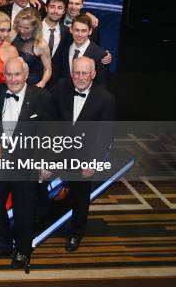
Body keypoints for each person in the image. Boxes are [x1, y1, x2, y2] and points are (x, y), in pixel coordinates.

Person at [0, 57, 56, 272]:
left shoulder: (42, 97)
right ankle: (2, 245)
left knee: (24, 209)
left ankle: (23, 250)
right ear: (3, 75)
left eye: (17, 74)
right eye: (9, 74)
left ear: (25, 75)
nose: (13, 79)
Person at [51, 56, 115, 251]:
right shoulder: (60, 87)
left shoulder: (105, 99)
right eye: (76, 72)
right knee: (39, 186)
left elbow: (105, 135)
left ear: (93, 74)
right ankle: (41, 222)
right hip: (57, 150)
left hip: (84, 156)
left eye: (85, 73)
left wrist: (94, 162)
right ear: (71, 73)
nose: (80, 77)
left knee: (80, 197)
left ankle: (76, 234)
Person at [10, 7, 52, 87]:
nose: (22, 31)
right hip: (13, 81)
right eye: (20, 26)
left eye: (26, 28)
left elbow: (48, 69)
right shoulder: (12, 35)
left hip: (32, 85)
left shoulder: (41, 45)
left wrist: (42, 82)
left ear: (35, 26)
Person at [63, 14, 109, 87]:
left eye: (84, 31)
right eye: (76, 30)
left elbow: (101, 85)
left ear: (90, 31)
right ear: (71, 30)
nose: (80, 34)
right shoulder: (64, 47)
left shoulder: (100, 54)